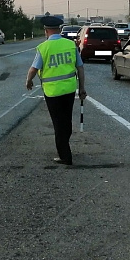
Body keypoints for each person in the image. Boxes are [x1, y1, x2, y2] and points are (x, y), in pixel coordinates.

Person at [25, 15, 87, 167]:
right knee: (66, 121)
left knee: (58, 124)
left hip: (53, 92)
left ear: (46, 30)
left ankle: (65, 156)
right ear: (59, 29)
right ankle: (65, 148)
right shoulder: (70, 45)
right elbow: (80, 67)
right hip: (69, 89)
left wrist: (29, 81)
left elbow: (34, 69)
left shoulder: (43, 48)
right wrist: (82, 88)